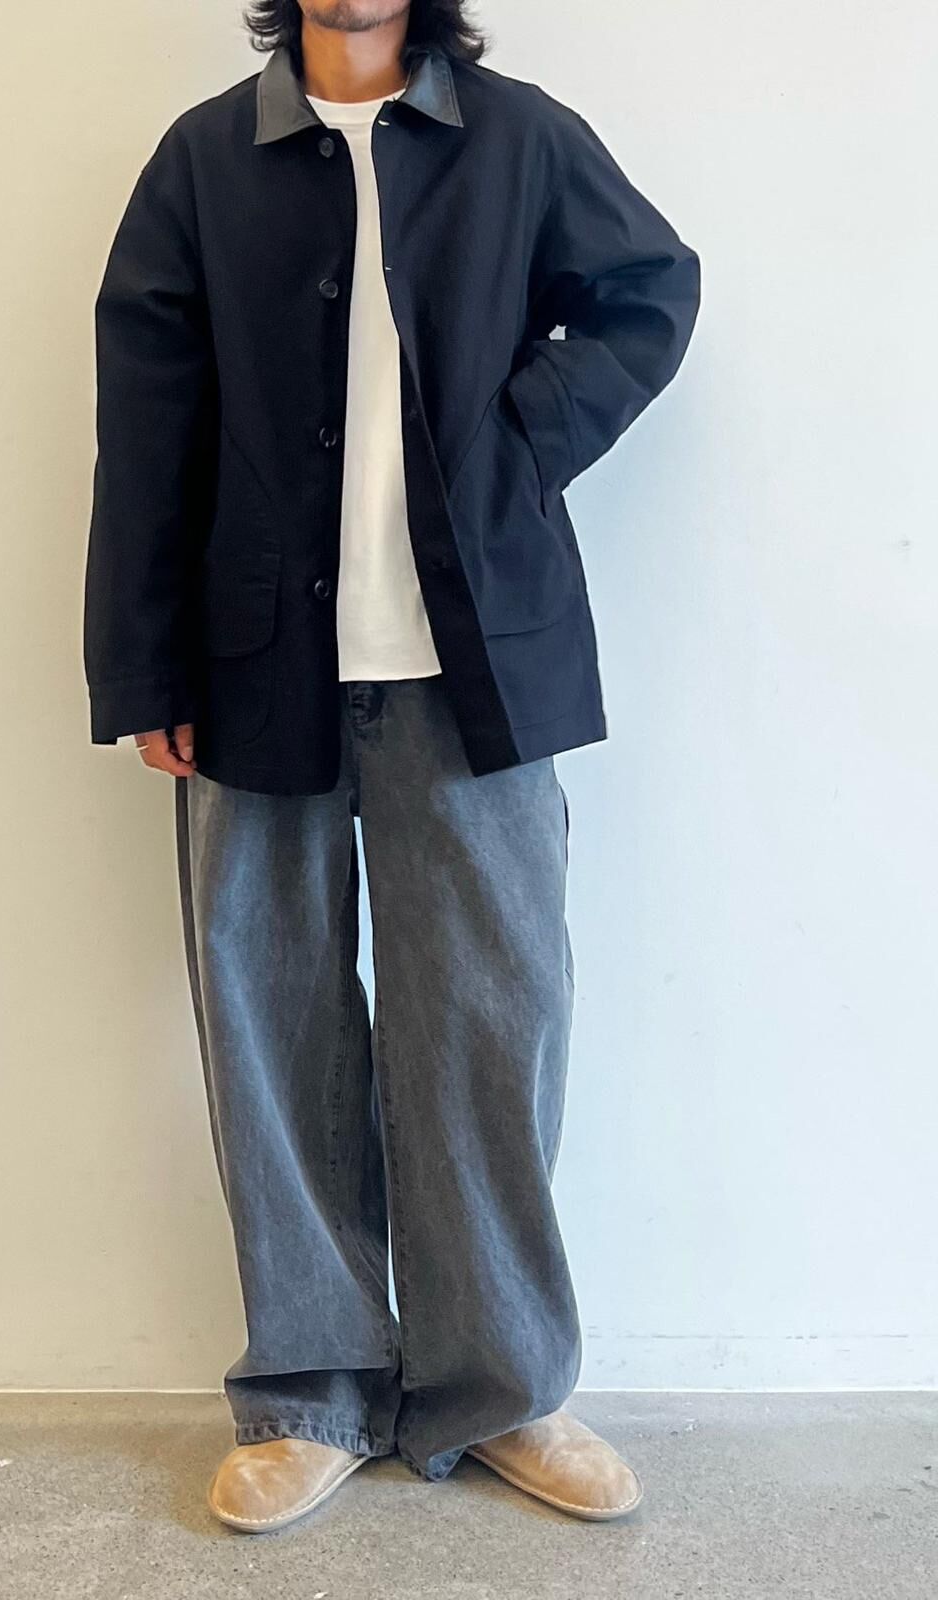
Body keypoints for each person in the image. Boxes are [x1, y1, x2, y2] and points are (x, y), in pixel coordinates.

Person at [84, 0, 700, 1534]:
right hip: (252, 664)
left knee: (492, 1021)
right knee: (272, 1023)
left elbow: (648, 291)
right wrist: (142, 667)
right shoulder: (204, 161)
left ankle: (503, 1386)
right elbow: (146, 423)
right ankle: (313, 1392)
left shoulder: (520, 139)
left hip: (479, 665)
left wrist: (516, 438)